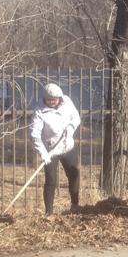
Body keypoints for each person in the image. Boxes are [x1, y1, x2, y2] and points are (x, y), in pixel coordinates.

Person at [30, 83, 81, 216]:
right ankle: (49, 213)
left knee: (73, 175)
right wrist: (43, 153)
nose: (52, 102)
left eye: (54, 99)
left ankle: (75, 206)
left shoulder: (67, 102)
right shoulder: (39, 111)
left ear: (59, 97)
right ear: (44, 99)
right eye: (49, 100)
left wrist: (71, 127)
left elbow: (76, 117)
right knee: (51, 181)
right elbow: (35, 134)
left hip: (67, 146)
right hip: (50, 150)